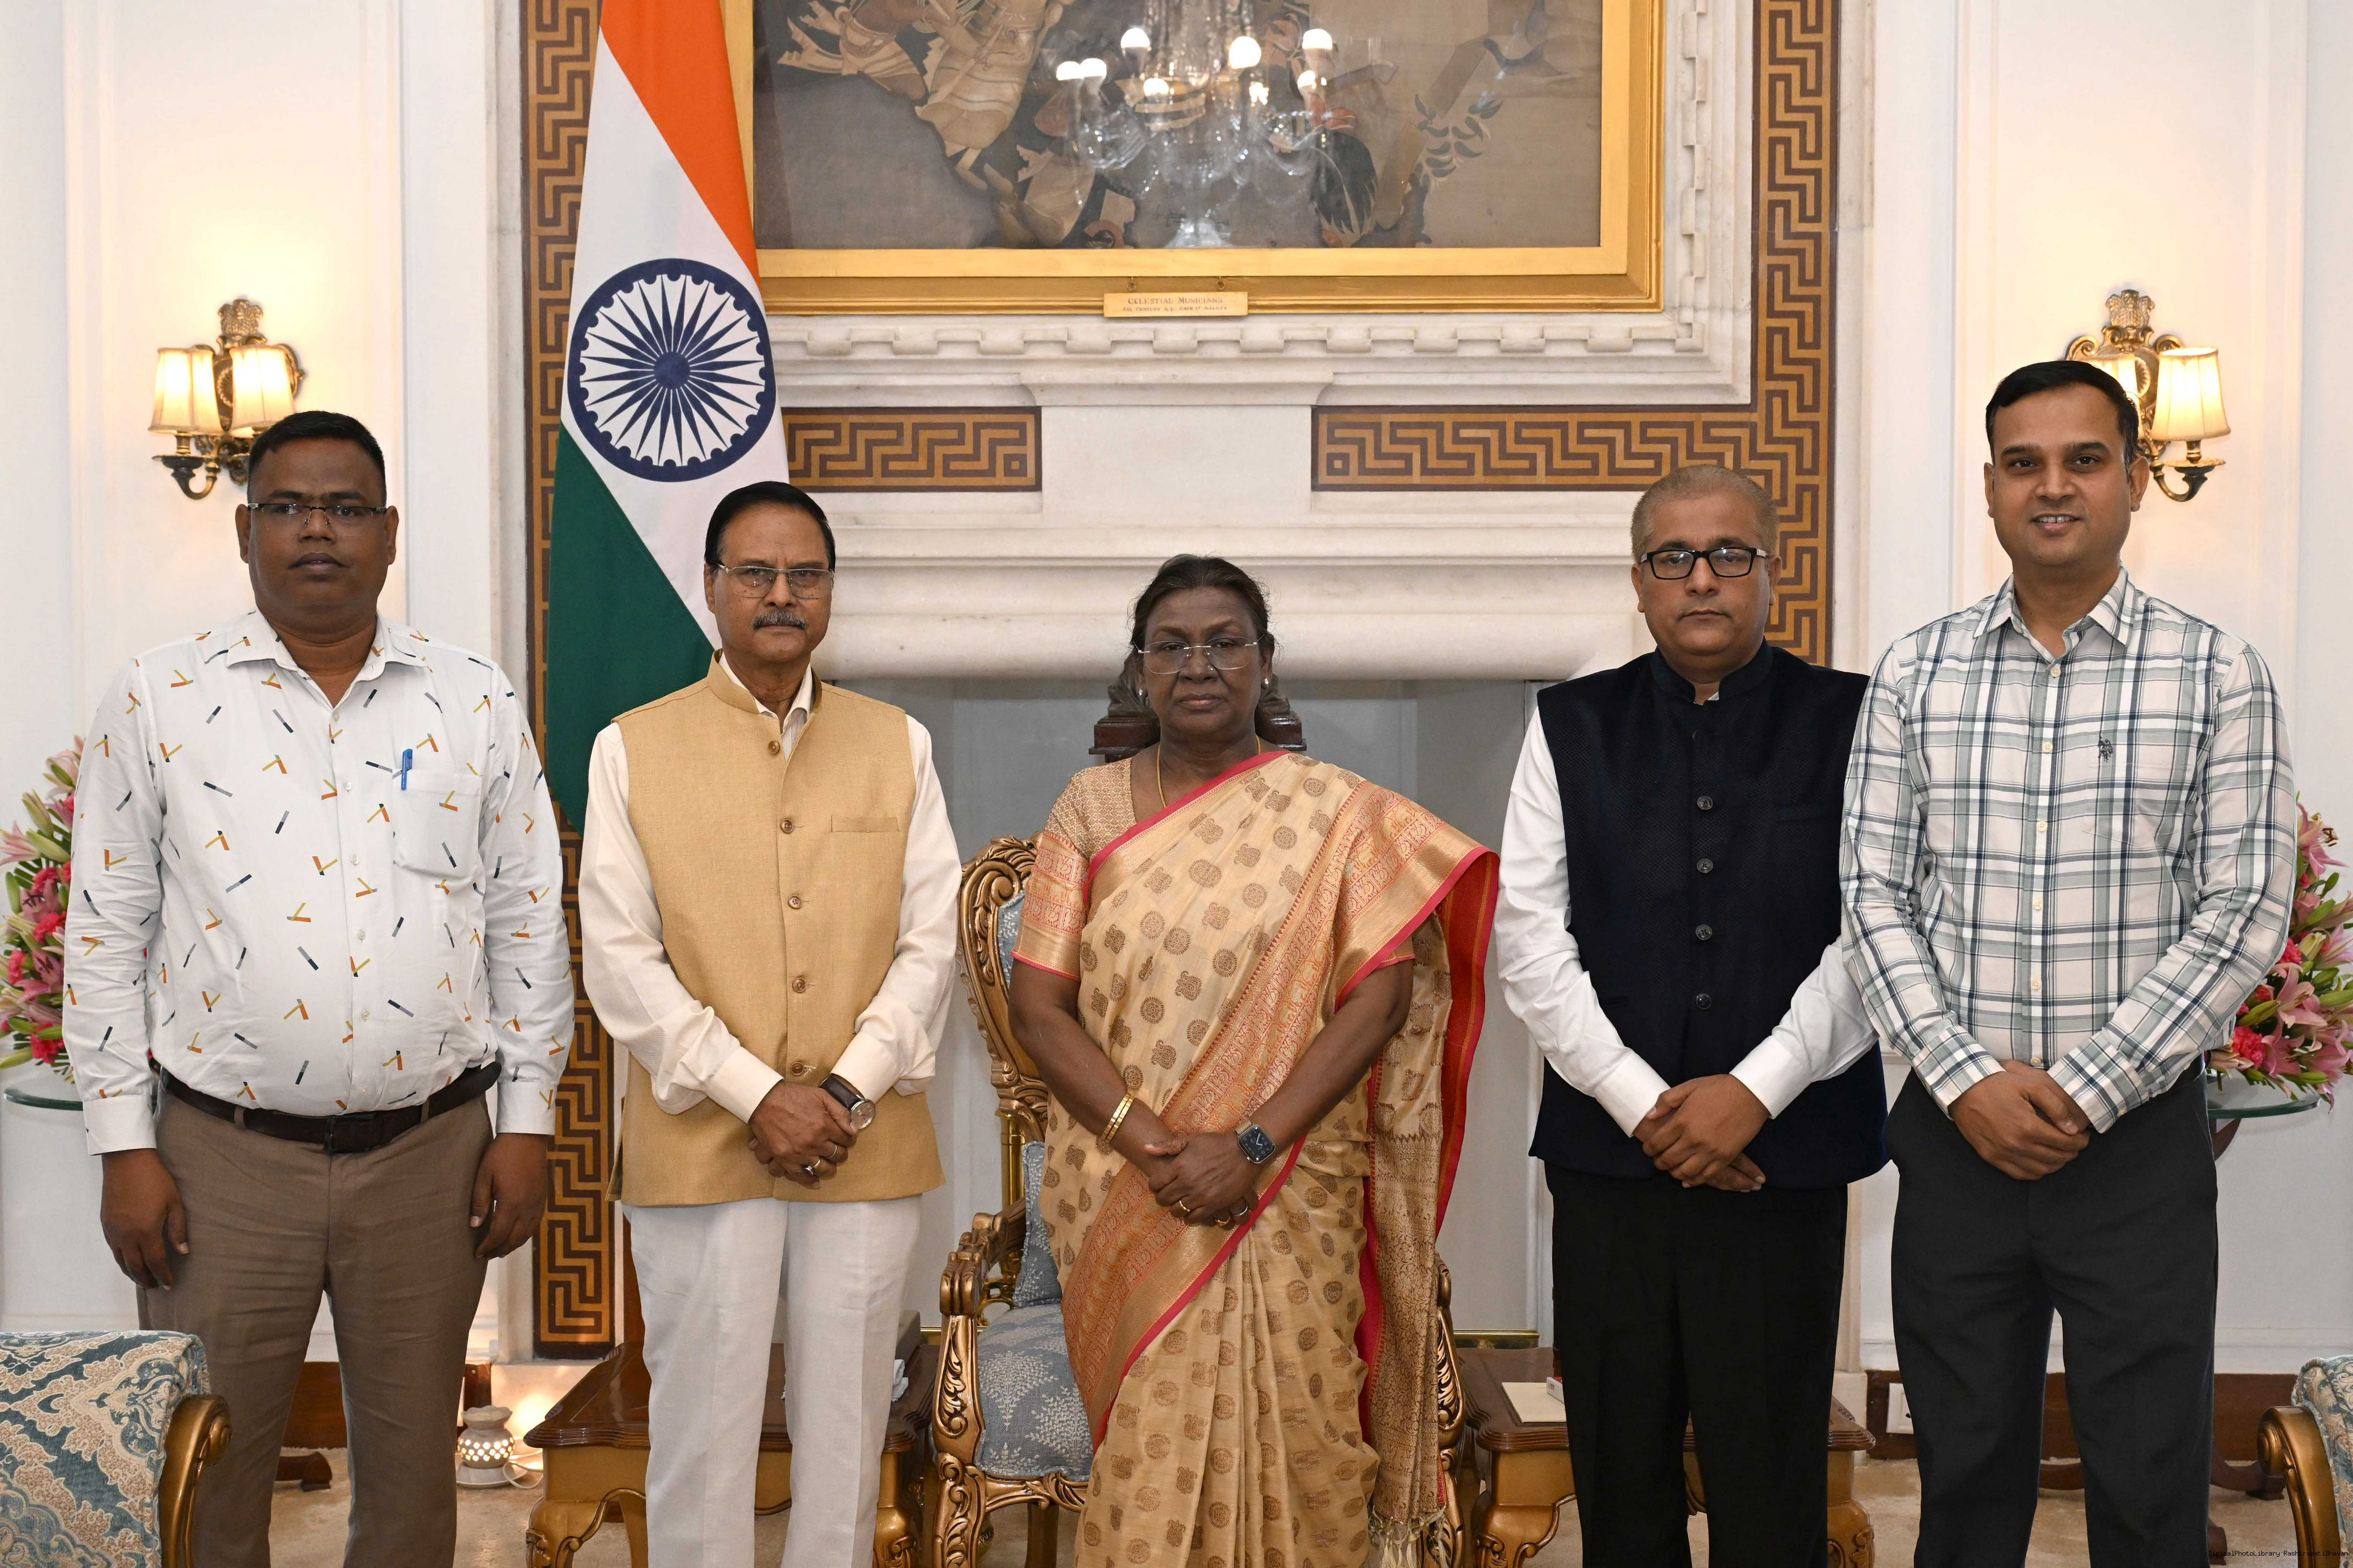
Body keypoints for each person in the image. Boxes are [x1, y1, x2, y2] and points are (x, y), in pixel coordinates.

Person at [66, 410, 573, 1566]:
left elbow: (526, 920)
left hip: (431, 1156)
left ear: (389, 533)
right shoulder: (159, 697)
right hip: (221, 1162)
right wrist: (122, 1144)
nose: (316, 531)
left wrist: (528, 1120)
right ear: (245, 529)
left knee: (412, 1489)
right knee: (207, 1478)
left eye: (345, 509)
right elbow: (103, 933)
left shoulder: (472, 699)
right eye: (289, 507)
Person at [1844, 360, 2295, 1565]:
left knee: (2149, 1484)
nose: (2052, 486)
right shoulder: (1914, 674)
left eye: (2084, 460)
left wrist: (2087, 1089)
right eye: (2023, 463)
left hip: (2136, 1147)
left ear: (2135, 479)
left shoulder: (2217, 672)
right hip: (1956, 1137)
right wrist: (1965, 1079)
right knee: (1962, 1477)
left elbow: (2243, 908)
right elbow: (1873, 897)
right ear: (1989, 487)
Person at [1008, 555, 1498, 1568]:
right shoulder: (1087, 810)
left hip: (1290, 1183)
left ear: (1265, 662)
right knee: (1149, 1464)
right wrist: (1156, 1146)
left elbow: (1382, 997)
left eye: (1224, 642)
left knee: (1304, 1446)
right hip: (1130, 1188)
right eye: (1173, 645)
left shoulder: (1342, 814)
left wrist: (1251, 1145)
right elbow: (1039, 1008)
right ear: (1139, 669)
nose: (1199, 663)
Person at [1494, 463, 1887, 1565]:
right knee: (1619, 1476)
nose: (1700, 578)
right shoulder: (1569, 723)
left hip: (1784, 1163)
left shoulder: (1856, 717)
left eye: (1727, 554)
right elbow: (1528, 937)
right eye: (1672, 557)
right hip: (1612, 1169)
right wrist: (1642, 1103)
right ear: (1638, 581)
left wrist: (1753, 1091)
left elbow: (1880, 930)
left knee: (1770, 1482)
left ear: (1771, 570)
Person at [577, 479, 960, 1568]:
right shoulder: (631, 747)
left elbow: (931, 939)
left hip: (862, 1140)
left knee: (848, 1433)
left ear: (830, 591)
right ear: (710, 586)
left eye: (805, 574)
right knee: (701, 1436)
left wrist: (841, 1090)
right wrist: (758, 1094)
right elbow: (621, 961)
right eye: (755, 572)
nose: (781, 593)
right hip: (700, 1146)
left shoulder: (899, 743)